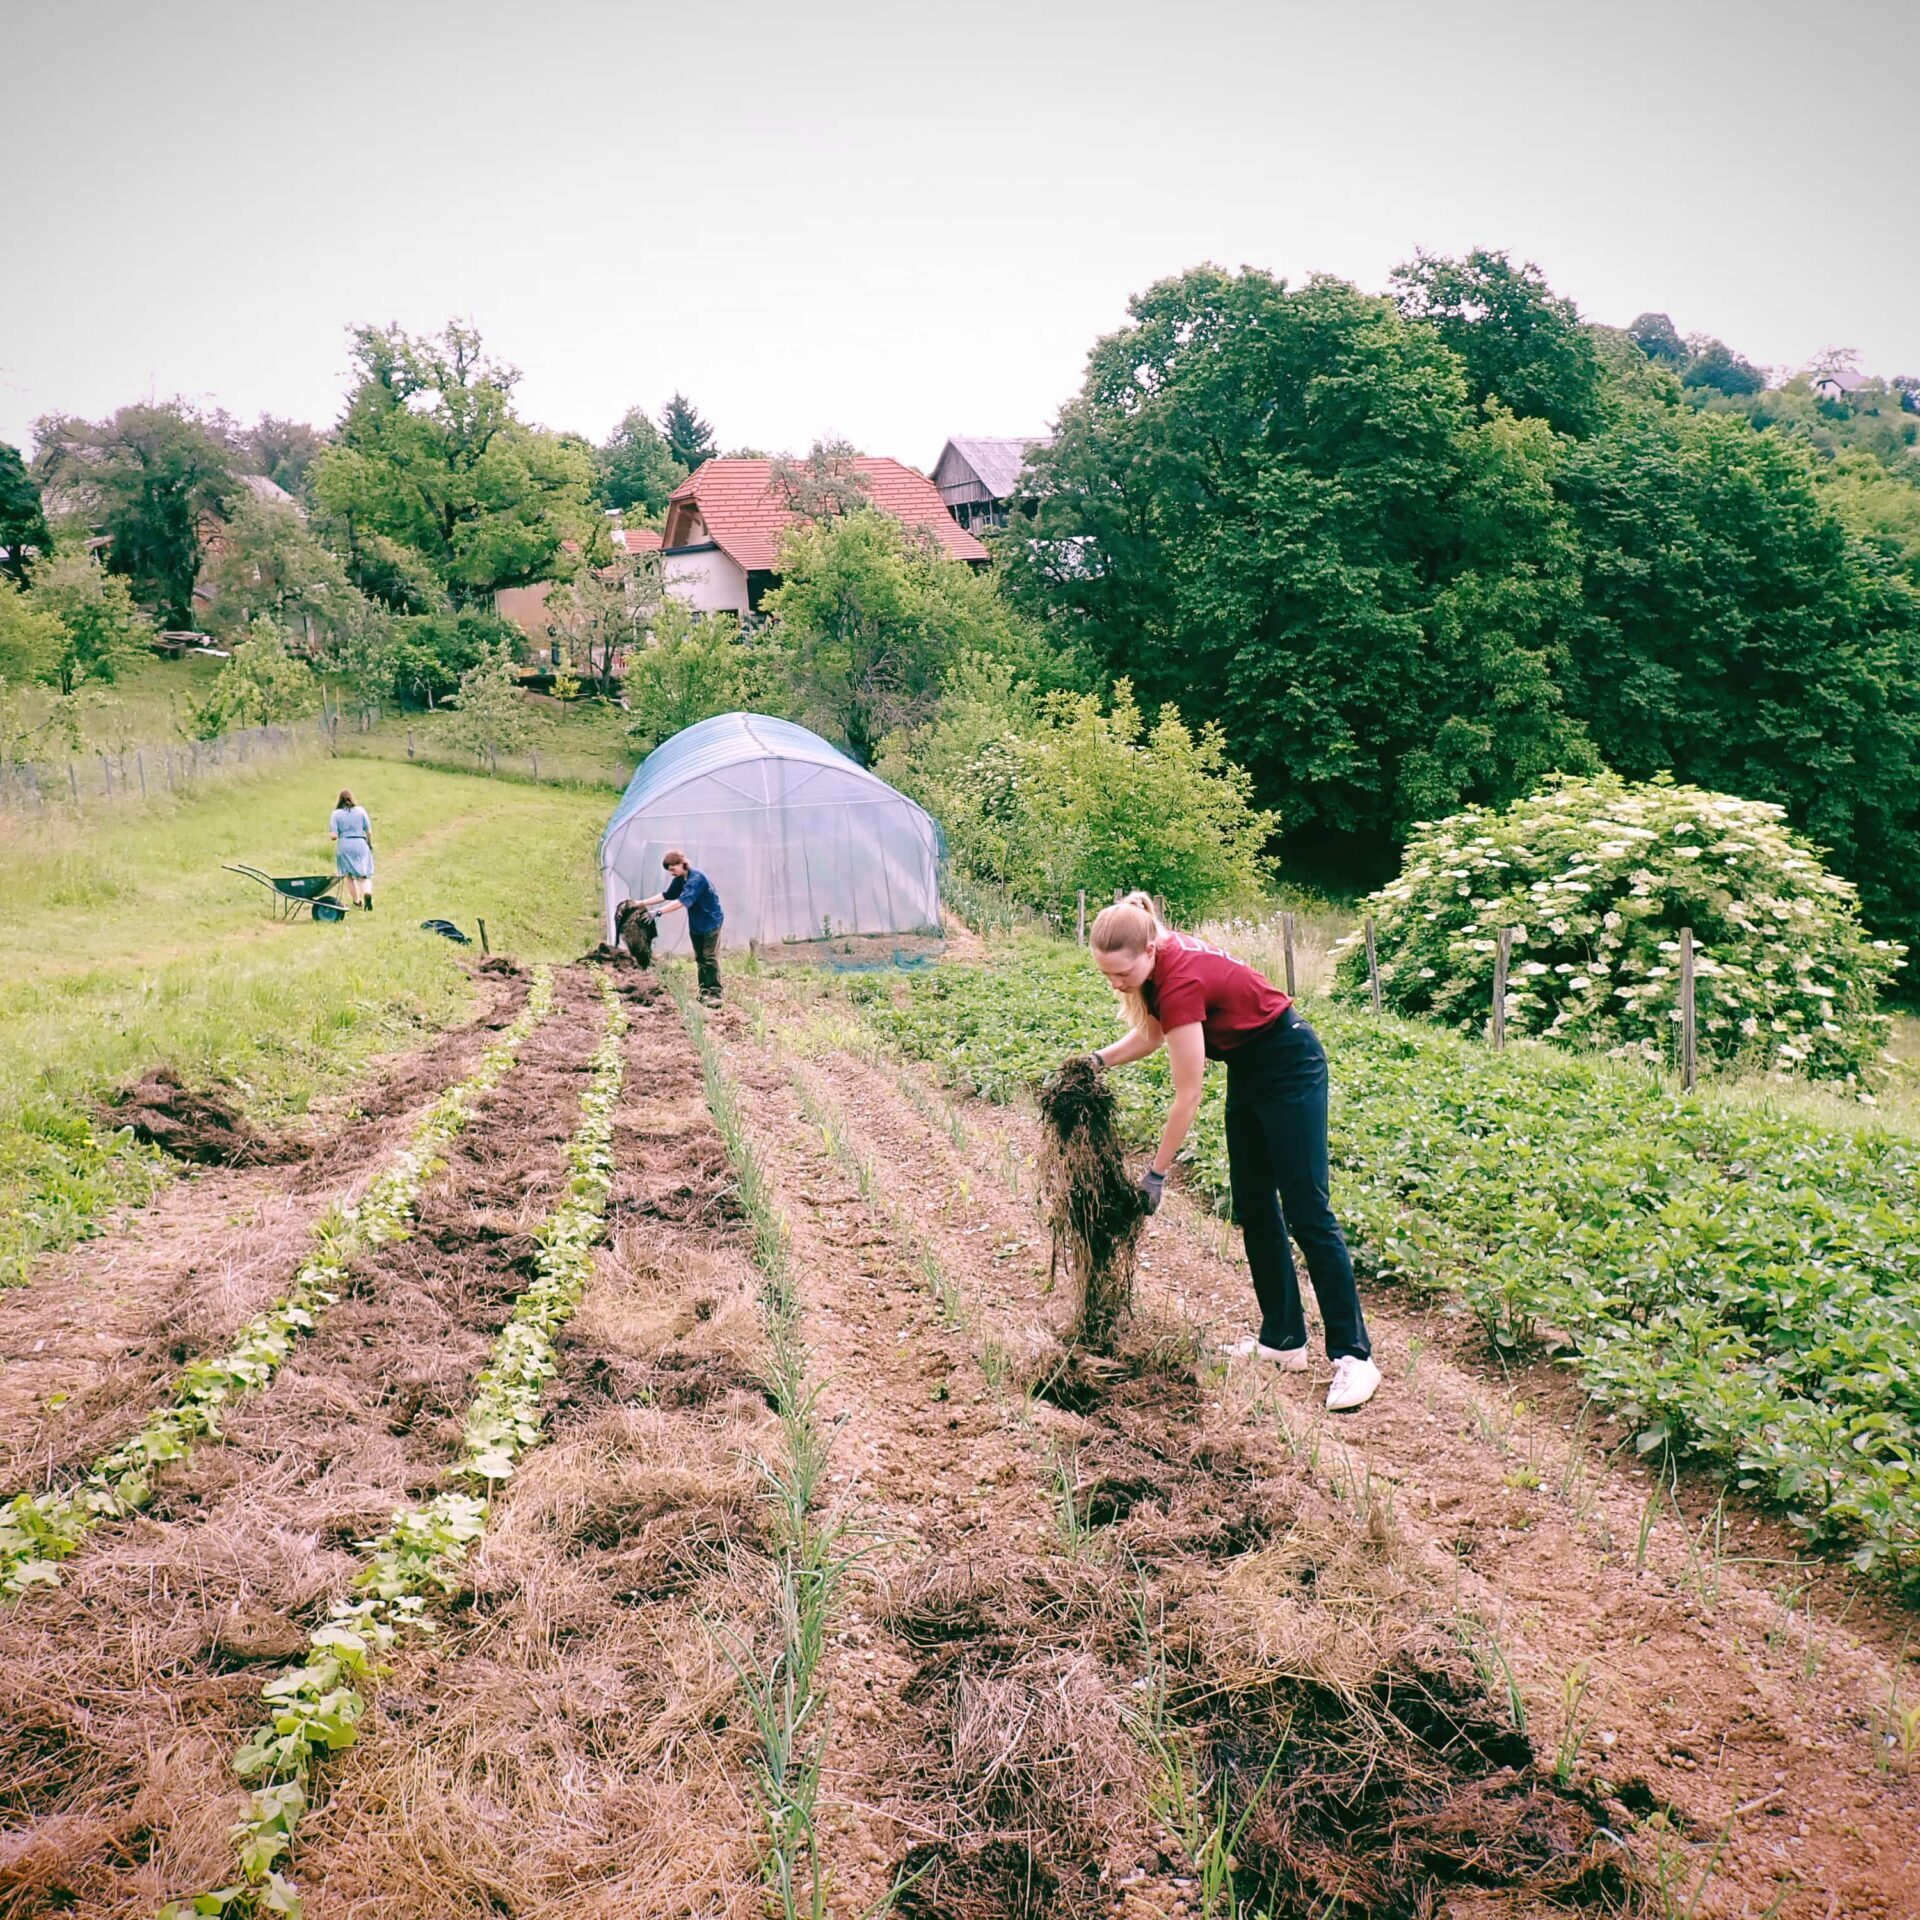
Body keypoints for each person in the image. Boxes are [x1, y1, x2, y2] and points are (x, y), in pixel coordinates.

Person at [1079, 892, 1380, 1412]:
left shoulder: (1181, 978)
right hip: (1250, 1068)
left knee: (1309, 1212)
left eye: (1123, 974)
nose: (1117, 984)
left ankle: (1355, 1357)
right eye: (1108, 976)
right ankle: (1283, 1339)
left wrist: (1155, 1174)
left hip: (1290, 1063)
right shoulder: (1162, 964)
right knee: (1256, 1207)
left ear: (1149, 950)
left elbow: (1187, 1093)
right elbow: (1152, 1033)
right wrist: (1094, 1061)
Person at [637, 850, 724, 1001]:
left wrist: (657, 912)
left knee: (709, 957)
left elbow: (681, 902)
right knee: (700, 958)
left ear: (681, 864)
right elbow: (667, 895)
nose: (671, 873)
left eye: (673, 869)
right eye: (669, 870)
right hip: (696, 922)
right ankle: (704, 991)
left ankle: (716, 993)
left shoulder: (696, 878)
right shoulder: (681, 878)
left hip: (711, 921)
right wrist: (641, 903)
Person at [329, 788, 374, 912]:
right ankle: (367, 892)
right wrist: (369, 844)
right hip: (360, 844)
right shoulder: (361, 811)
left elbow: (333, 836)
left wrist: (335, 835)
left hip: (345, 845)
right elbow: (369, 831)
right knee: (363, 876)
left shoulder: (336, 814)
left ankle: (357, 901)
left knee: (349, 876)